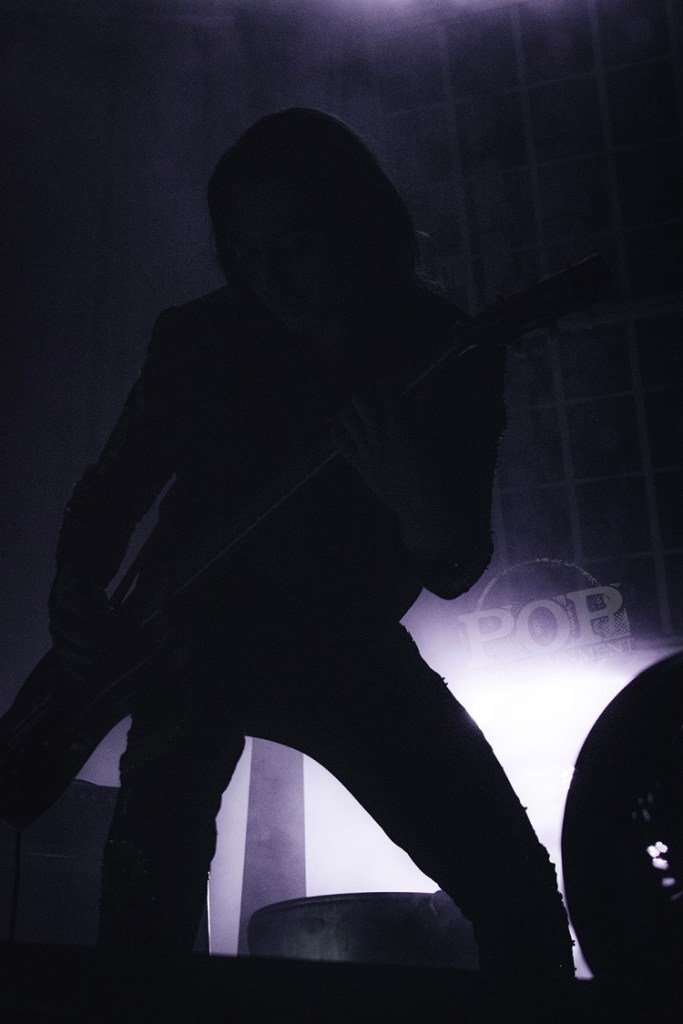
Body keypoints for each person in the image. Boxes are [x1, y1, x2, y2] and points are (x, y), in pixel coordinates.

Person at [47, 108, 574, 988]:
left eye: (294, 246)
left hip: (340, 649)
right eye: (245, 252)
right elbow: (109, 491)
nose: (269, 278)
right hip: (188, 644)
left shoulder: (442, 350)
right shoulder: (197, 339)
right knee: (142, 925)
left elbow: (454, 566)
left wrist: (414, 495)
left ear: (357, 227)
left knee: (518, 900)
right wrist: (74, 587)